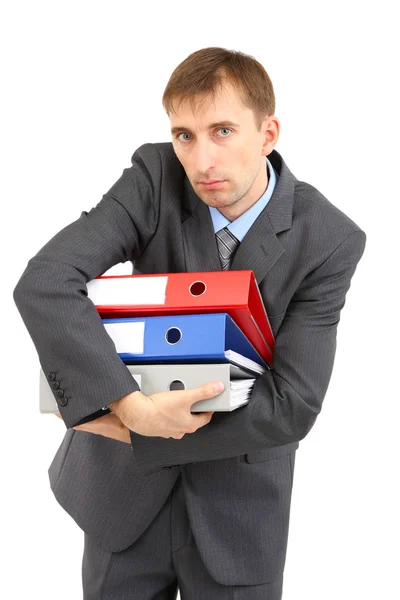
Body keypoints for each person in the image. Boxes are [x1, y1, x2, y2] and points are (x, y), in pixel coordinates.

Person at [13, 46, 366, 600]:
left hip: (240, 515)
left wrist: (138, 429)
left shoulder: (328, 238)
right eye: (184, 135)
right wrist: (129, 405)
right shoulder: (154, 177)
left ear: (268, 131)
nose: (201, 161)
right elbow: (46, 281)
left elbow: (291, 405)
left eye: (222, 131)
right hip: (121, 502)